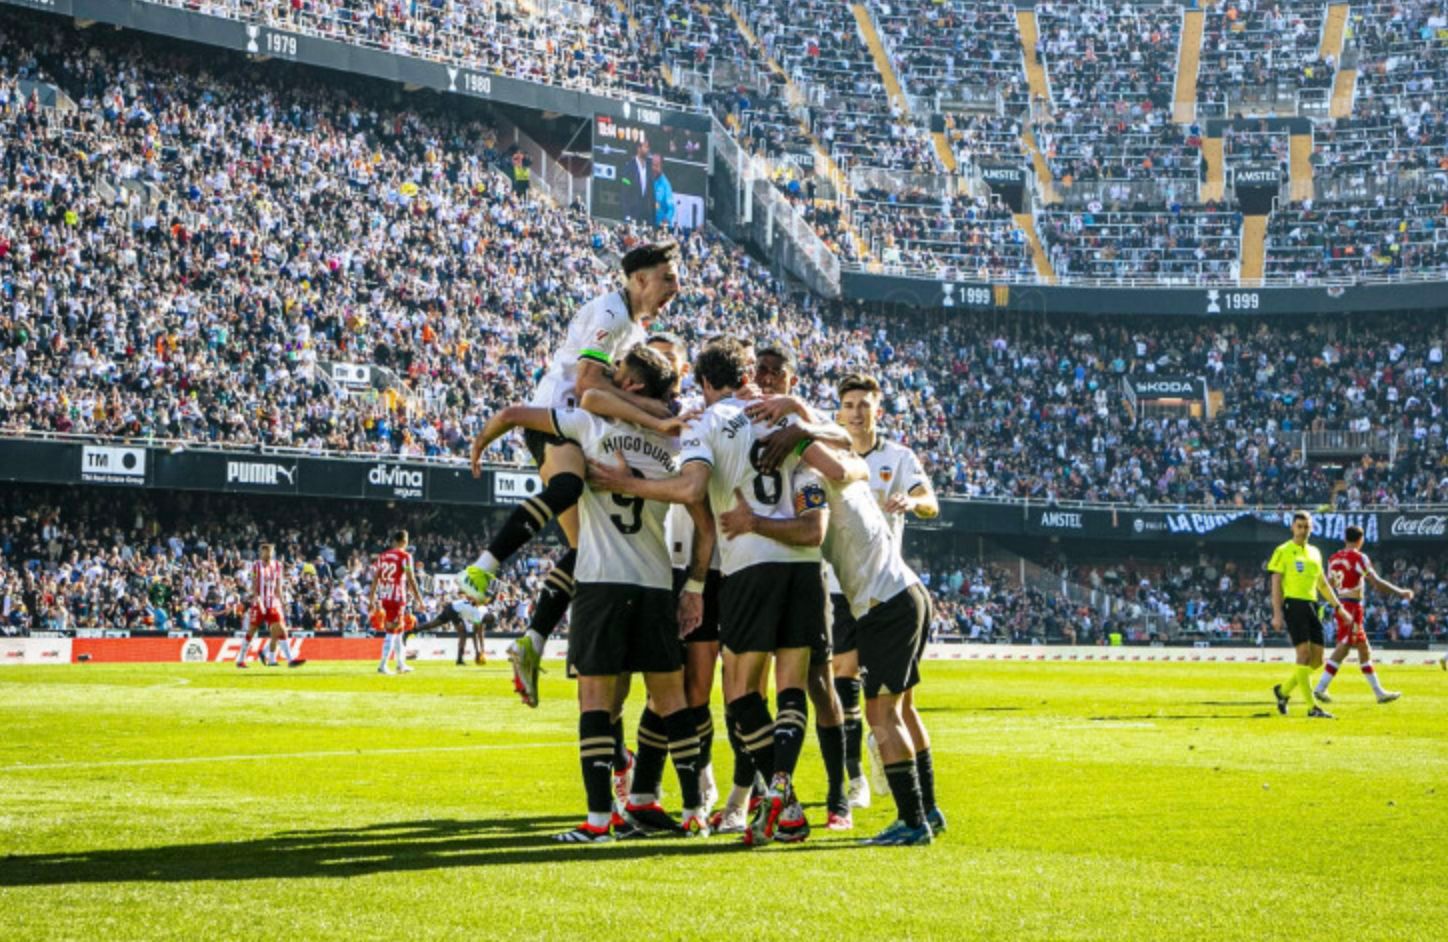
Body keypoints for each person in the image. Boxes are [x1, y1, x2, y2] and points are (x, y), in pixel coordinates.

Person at [588, 336, 846, 846]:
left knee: (742, 694)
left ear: (705, 382)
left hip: (748, 565)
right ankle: (783, 802)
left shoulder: (706, 420)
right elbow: (837, 462)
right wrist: (800, 416)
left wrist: (627, 484)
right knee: (791, 689)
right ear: (745, 374)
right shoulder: (777, 416)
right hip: (803, 568)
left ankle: (784, 801)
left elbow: (690, 488)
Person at [471, 344, 710, 841]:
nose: (605, 374)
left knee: (596, 703)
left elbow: (514, 414)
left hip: (602, 582)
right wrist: (693, 585)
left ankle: (599, 820)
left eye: (618, 369)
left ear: (633, 385)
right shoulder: (674, 444)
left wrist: (480, 445)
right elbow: (703, 521)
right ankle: (694, 813)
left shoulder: (590, 425)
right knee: (672, 702)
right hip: (654, 583)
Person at [464, 242, 681, 707]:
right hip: (554, 420)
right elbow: (586, 386)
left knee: (587, 552)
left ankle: (533, 640)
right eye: (667, 279)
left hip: (575, 429)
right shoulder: (612, 315)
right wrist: (654, 412)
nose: (674, 290)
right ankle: (485, 566)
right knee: (569, 486)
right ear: (640, 279)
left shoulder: (632, 325)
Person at [717, 406, 940, 845]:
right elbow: (845, 455)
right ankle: (928, 809)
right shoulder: (848, 463)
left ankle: (914, 822)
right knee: (900, 710)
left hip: (883, 602)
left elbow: (812, 530)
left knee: (882, 714)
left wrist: (753, 520)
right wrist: (801, 422)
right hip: (904, 591)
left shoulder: (811, 475)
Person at [833, 372, 938, 806]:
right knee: (843, 675)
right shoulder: (830, 458)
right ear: (838, 413)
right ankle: (857, 775)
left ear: (879, 409)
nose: (857, 413)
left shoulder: (898, 457)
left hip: (884, 588)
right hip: (840, 589)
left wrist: (912, 502)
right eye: (849, 405)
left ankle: (918, 802)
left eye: (864, 404)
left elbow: (931, 503)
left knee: (897, 706)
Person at [1314, 526, 1412, 704]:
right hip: (1352, 607)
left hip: (1341, 603)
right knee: (1344, 647)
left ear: (1345, 539)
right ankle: (1320, 687)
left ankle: (1379, 693)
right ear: (1361, 540)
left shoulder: (1333, 558)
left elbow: (1329, 584)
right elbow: (1376, 582)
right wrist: (1401, 592)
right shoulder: (1360, 558)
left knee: (1364, 649)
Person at [1268, 512, 1345, 718]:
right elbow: (1276, 584)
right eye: (1299, 526)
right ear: (1292, 527)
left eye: (1306, 527)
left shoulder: (1315, 553)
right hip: (1293, 604)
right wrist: (1277, 613)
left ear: (1311, 528)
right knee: (1303, 655)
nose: (1303, 530)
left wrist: (1338, 606)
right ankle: (1312, 708)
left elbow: (1322, 584)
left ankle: (1283, 691)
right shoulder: (1283, 551)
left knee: (1317, 660)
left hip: (1312, 605)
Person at [236, 544, 305, 668]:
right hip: (259, 603)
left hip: (273, 603)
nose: (267, 554)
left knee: (281, 629)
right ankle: (240, 660)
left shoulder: (277, 565)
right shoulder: (255, 566)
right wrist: (258, 600)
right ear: (261, 553)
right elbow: (254, 585)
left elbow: (278, 586)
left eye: (269, 552)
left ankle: (290, 660)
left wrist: (282, 602)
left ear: (272, 553)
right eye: (265, 552)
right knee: (252, 630)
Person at [370, 531, 425, 676]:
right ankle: (382, 666)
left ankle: (401, 664)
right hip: (397, 598)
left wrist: (371, 598)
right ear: (405, 541)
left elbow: (375, 578)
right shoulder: (405, 556)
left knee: (400, 631)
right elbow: (411, 579)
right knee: (392, 632)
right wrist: (419, 599)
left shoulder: (382, 556)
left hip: (385, 596)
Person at [414, 598, 496, 666]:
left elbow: (480, 633)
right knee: (463, 633)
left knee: (433, 624)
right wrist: (477, 652)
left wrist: (482, 649)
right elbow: (475, 634)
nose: (485, 623)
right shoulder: (479, 615)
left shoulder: (484, 611)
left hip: (451, 607)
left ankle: (413, 630)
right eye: (487, 622)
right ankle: (459, 660)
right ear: (488, 619)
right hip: (454, 610)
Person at [619, 139, 656, 223]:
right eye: (646, 147)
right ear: (639, 148)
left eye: (648, 147)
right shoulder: (629, 167)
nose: (648, 149)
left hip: (646, 215)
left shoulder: (649, 166)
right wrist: (626, 214)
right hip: (632, 212)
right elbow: (624, 192)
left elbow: (651, 192)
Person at [650, 154, 675, 228]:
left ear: (661, 166)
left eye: (656, 166)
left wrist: (665, 221)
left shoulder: (665, 185)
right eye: (652, 165)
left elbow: (671, 209)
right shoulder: (646, 178)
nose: (653, 168)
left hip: (658, 226)